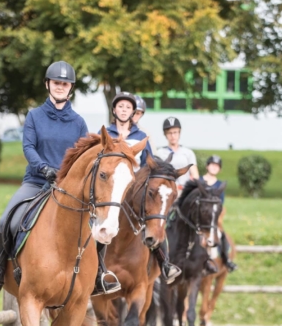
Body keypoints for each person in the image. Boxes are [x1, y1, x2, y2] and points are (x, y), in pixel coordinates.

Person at [0, 60, 90, 294]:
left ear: (71, 88)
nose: (60, 87)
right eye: (57, 82)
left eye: (65, 83)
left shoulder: (79, 123)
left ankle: (99, 276)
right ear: (48, 84)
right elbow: (28, 147)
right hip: (37, 182)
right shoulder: (35, 116)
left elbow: (83, 156)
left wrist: (69, 177)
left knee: (94, 226)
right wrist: (44, 168)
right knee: (5, 220)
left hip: (67, 189)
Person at [100, 93, 181, 285]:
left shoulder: (141, 136)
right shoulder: (106, 133)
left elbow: (149, 165)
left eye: (130, 109)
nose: (125, 111)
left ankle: (165, 264)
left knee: (155, 221)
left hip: (135, 191)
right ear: (114, 110)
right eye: (121, 107)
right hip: (110, 189)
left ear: (134, 112)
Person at [200, 155, 238, 272]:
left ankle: (226, 260)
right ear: (207, 166)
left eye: (217, 166)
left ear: (219, 169)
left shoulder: (220, 185)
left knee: (221, 236)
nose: (214, 167)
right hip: (198, 218)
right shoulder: (199, 181)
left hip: (212, 219)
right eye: (212, 164)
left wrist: (216, 219)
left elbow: (220, 205)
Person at [156, 117, 199, 192]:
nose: (173, 136)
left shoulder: (188, 153)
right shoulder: (160, 153)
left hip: (185, 190)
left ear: (179, 132)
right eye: (169, 133)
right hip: (167, 191)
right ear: (165, 134)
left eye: (175, 132)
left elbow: (195, 175)